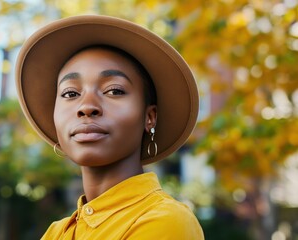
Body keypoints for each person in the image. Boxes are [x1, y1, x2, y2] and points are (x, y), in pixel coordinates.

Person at [15, 15, 204, 239]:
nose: (86, 107)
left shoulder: (166, 220)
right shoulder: (56, 232)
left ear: (149, 117)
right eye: (70, 93)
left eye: (114, 90)